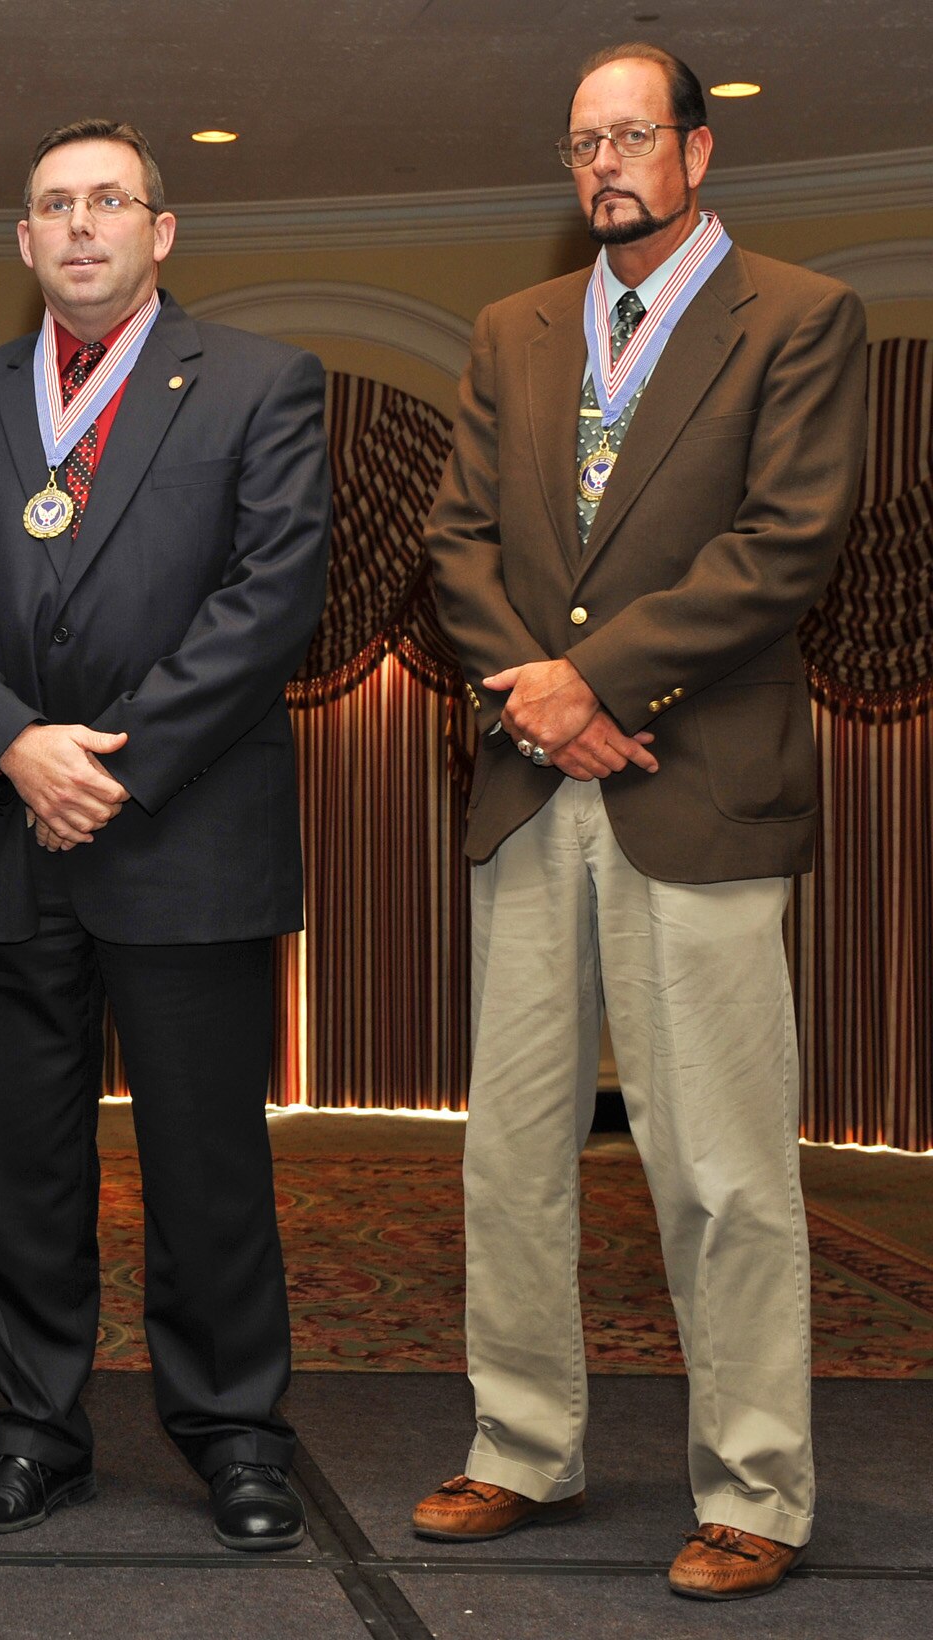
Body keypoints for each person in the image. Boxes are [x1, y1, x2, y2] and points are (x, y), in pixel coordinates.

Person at [416, 43, 867, 1602]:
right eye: (583, 142)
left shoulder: (801, 318)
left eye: (633, 137)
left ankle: (756, 1487)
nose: (606, 163)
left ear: (696, 152)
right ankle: (518, 1449)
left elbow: (783, 547)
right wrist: (543, 704)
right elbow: (457, 542)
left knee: (726, 1169)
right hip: (533, 795)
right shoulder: (513, 330)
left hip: (701, 793)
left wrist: (588, 682)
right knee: (511, 1155)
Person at [0, 119, 330, 1551]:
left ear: (161, 229)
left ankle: (235, 1433)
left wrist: (114, 770)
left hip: (183, 829)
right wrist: (17, 749)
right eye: (54, 207)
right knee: (20, 1164)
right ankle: (35, 1431)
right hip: (11, 831)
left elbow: (269, 603)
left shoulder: (262, 383)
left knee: (207, 1162)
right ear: (21, 242)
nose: (81, 227)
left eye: (108, 202)